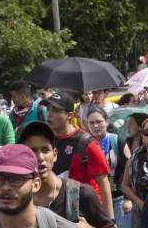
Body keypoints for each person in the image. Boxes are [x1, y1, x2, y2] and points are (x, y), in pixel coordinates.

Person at [43, 91, 114, 220]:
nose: (50, 114)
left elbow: (103, 182)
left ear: (69, 115)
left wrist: (109, 221)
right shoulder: (44, 140)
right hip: (54, 212)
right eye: (48, 109)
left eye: (56, 111)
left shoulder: (86, 142)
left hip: (85, 215)